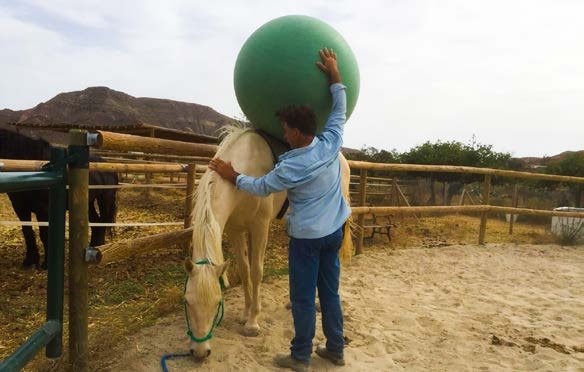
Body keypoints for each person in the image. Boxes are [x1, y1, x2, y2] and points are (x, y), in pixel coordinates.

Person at [209, 47, 349, 371]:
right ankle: (335, 348)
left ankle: (300, 356)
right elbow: (340, 105)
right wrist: (334, 72)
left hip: (307, 239)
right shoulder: (332, 140)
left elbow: (260, 187)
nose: (283, 134)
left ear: (297, 133)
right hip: (334, 232)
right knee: (329, 294)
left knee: (301, 299)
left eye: (286, 129)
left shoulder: (290, 167)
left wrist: (232, 175)